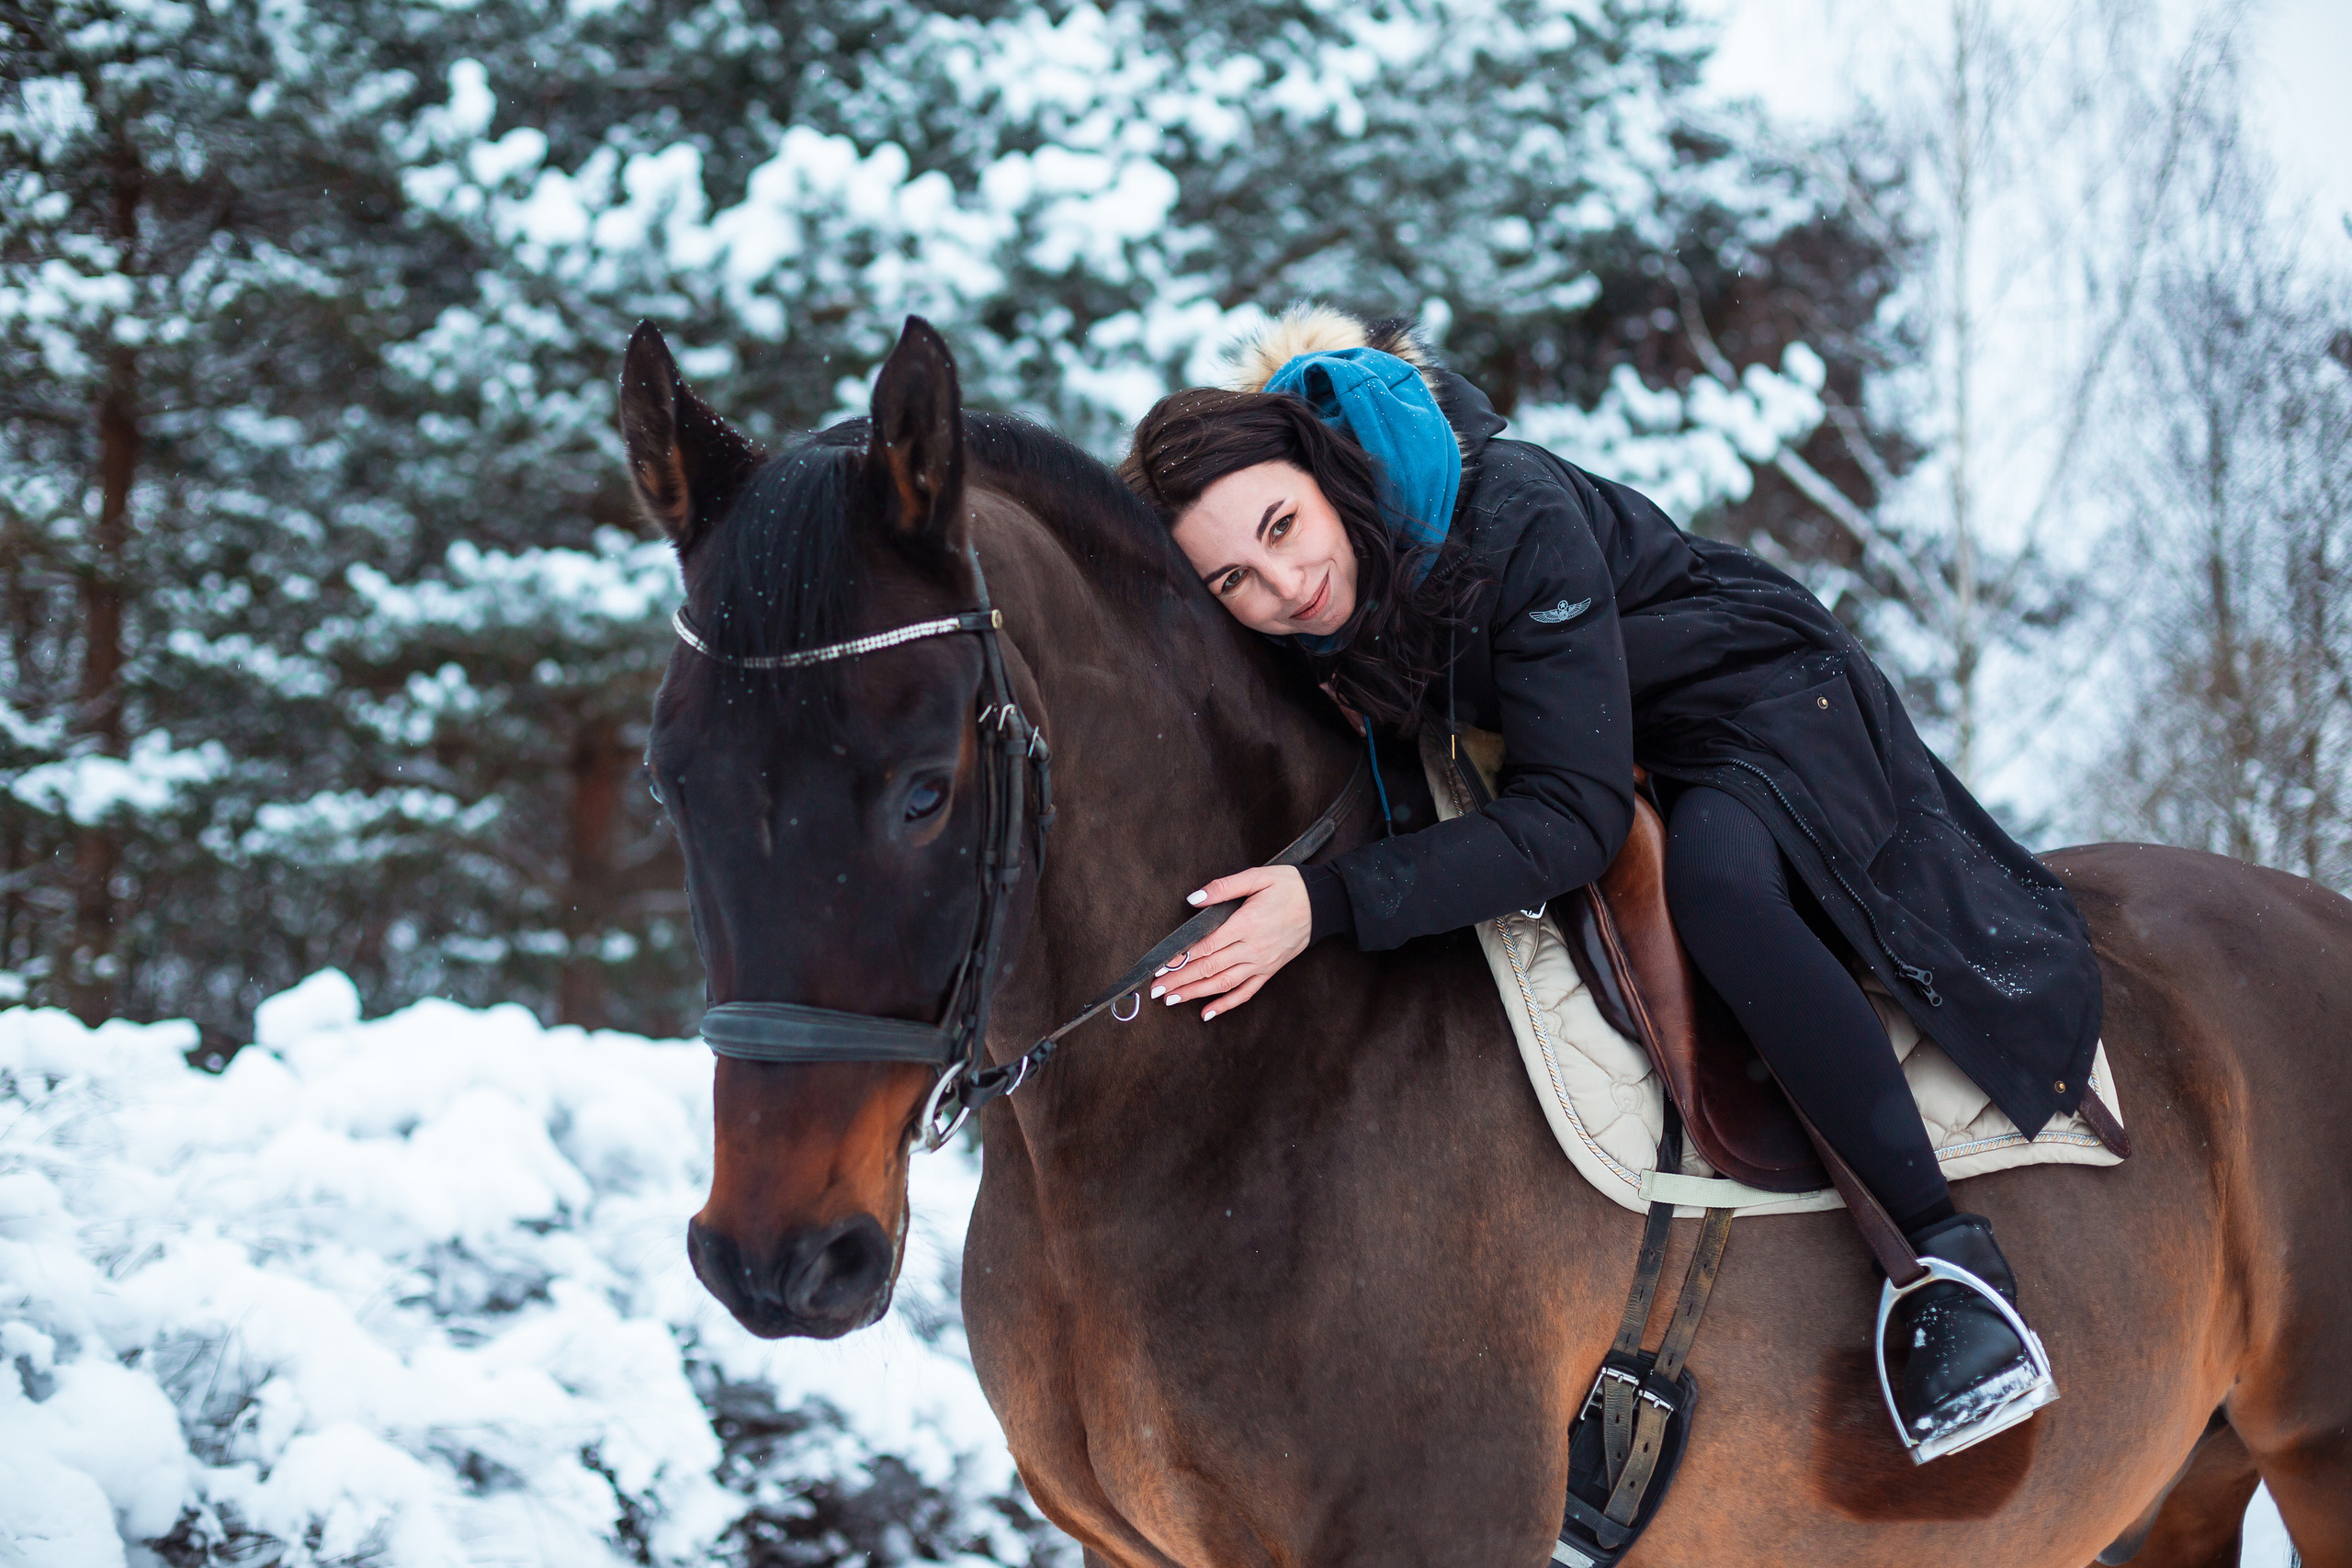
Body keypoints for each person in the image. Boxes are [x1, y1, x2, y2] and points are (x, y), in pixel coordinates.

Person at [1115, 305, 2103, 1453]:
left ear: (1324, 471)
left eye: (1284, 526)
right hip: (1598, 731)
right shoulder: (1315, 588)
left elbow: (1571, 819)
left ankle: (1948, 1265)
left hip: (1747, 706)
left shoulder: (1511, 513)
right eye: (1235, 579)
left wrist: (1325, 904)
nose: (1286, 587)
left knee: (1723, 895)